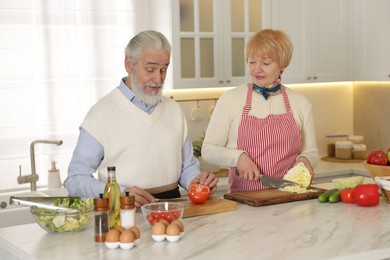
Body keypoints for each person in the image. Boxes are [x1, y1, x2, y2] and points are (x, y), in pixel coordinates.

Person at [64, 30, 218, 207]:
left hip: (174, 210)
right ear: (129, 65)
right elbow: (75, 179)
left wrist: (198, 182)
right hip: (123, 213)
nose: (158, 79)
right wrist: (120, 193)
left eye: (164, 69)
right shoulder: (100, 114)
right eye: (151, 69)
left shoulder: (173, 110)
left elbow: (187, 167)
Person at [201, 29, 319, 193]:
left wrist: (305, 160)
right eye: (251, 62)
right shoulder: (231, 99)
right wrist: (238, 157)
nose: (257, 70)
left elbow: (311, 151)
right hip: (244, 203)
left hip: (289, 199)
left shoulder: (300, 103)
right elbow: (208, 150)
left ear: (283, 64)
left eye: (265, 63)